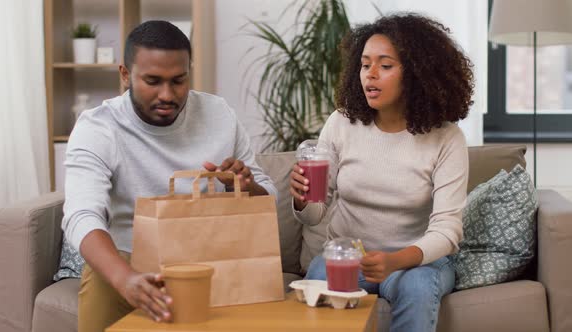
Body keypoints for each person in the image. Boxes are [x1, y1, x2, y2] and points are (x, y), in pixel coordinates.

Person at [62, 20, 277, 332]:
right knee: (103, 285)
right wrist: (125, 279)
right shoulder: (98, 127)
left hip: (210, 263)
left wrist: (248, 187)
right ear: (125, 75)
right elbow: (81, 215)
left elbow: (269, 198)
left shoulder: (219, 114)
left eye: (178, 81)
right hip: (127, 263)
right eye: (153, 81)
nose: (167, 94)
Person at [290, 13, 473, 331]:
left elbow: (447, 231)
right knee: (320, 275)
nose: (370, 75)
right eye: (364, 64)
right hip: (349, 256)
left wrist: (394, 261)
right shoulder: (341, 123)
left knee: (416, 287)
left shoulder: (446, 138)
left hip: (417, 262)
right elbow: (314, 214)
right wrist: (304, 200)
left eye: (385, 66)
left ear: (416, 74)